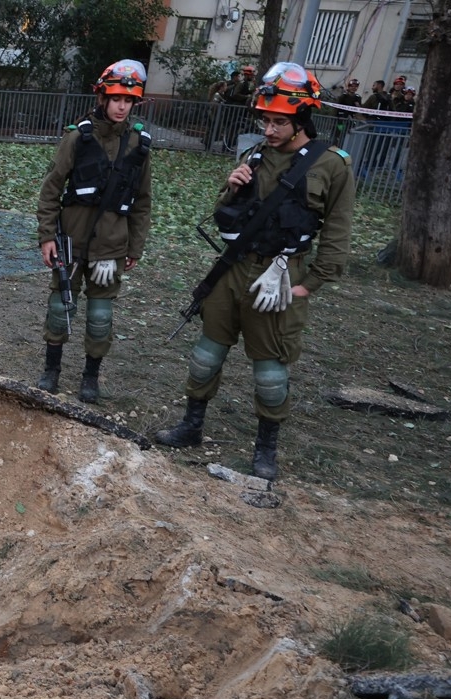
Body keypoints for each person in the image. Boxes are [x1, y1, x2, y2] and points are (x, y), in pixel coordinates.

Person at [154, 62, 355, 481]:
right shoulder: (255, 154)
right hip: (235, 269)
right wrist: (231, 185)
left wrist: (307, 287)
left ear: (301, 119)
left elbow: (337, 233)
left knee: (269, 369)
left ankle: (266, 448)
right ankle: (191, 425)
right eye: (264, 120)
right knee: (206, 354)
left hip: (283, 273)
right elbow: (222, 215)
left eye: (278, 121)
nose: (268, 129)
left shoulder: (332, 165)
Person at [35, 59, 153, 403]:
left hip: (112, 247)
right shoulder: (77, 138)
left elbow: (143, 202)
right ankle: (51, 371)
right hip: (70, 242)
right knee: (60, 308)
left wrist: (135, 248)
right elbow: (51, 189)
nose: (121, 106)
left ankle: (90, 377)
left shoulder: (139, 145)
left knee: (100, 316)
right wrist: (46, 236)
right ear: (102, 97)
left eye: (128, 100)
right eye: (116, 98)